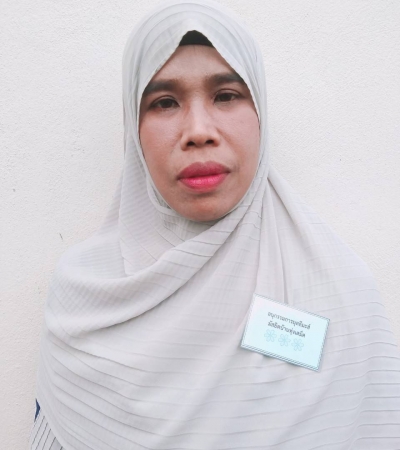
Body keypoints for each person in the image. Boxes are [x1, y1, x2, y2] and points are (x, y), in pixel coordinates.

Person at [29, 1, 400, 449]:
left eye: (226, 96)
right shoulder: (85, 301)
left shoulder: (340, 292)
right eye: (164, 102)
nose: (198, 131)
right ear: (133, 128)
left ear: (260, 112)